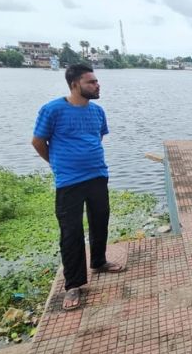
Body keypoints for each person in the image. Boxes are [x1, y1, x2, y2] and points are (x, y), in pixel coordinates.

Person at [31, 64, 124, 311]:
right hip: (69, 181)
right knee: (71, 232)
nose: (97, 85)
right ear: (74, 84)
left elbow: (97, 138)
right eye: (91, 82)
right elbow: (38, 141)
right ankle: (73, 284)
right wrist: (57, 163)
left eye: (96, 81)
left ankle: (99, 261)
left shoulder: (97, 111)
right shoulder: (53, 110)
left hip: (97, 175)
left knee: (100, 220)